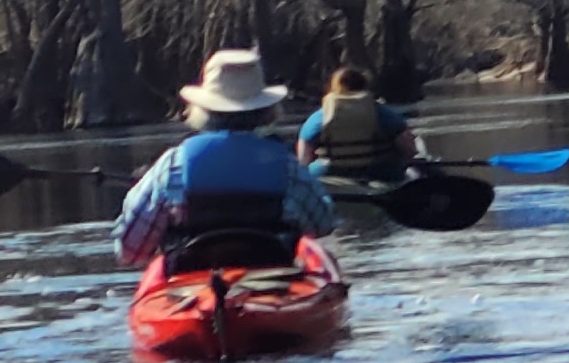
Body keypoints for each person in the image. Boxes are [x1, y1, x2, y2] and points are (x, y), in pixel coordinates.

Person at [114, 49, 338, 267]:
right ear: (265, 111)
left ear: (202, 109)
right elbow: (324, 224)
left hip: (188, 288)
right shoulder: (288, 168)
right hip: (273, 281)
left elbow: (130, 251)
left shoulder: (173, 166)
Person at [296, 64, 424, 183]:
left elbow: (303, 160)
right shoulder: (382, 113)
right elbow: (409, 150)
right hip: (380, 174)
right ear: (364, 85)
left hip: (329, 175)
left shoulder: (319, 117)